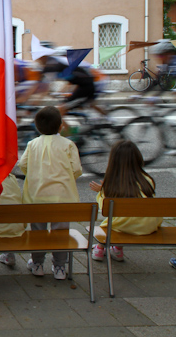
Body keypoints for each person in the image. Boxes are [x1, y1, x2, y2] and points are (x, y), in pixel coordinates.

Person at [19, 106, 82, 280]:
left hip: (36, 197)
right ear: (61, 126)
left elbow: (22, 165)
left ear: (37, 127)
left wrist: (34, 174)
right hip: (62, 198)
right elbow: (76, 169)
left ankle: (37, 263)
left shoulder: (32, 145)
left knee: (38, 231)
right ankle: (60, 267)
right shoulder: (68, 145)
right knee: (60, 233)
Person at [88, 140, 161, 262]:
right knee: (127, 217)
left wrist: (101, 192)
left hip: (124, 227)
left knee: (115, 220)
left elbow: (105, 209)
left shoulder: (112, 183)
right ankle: (117, 249)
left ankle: (100, 249)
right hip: (148, 226)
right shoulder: (147, 179)